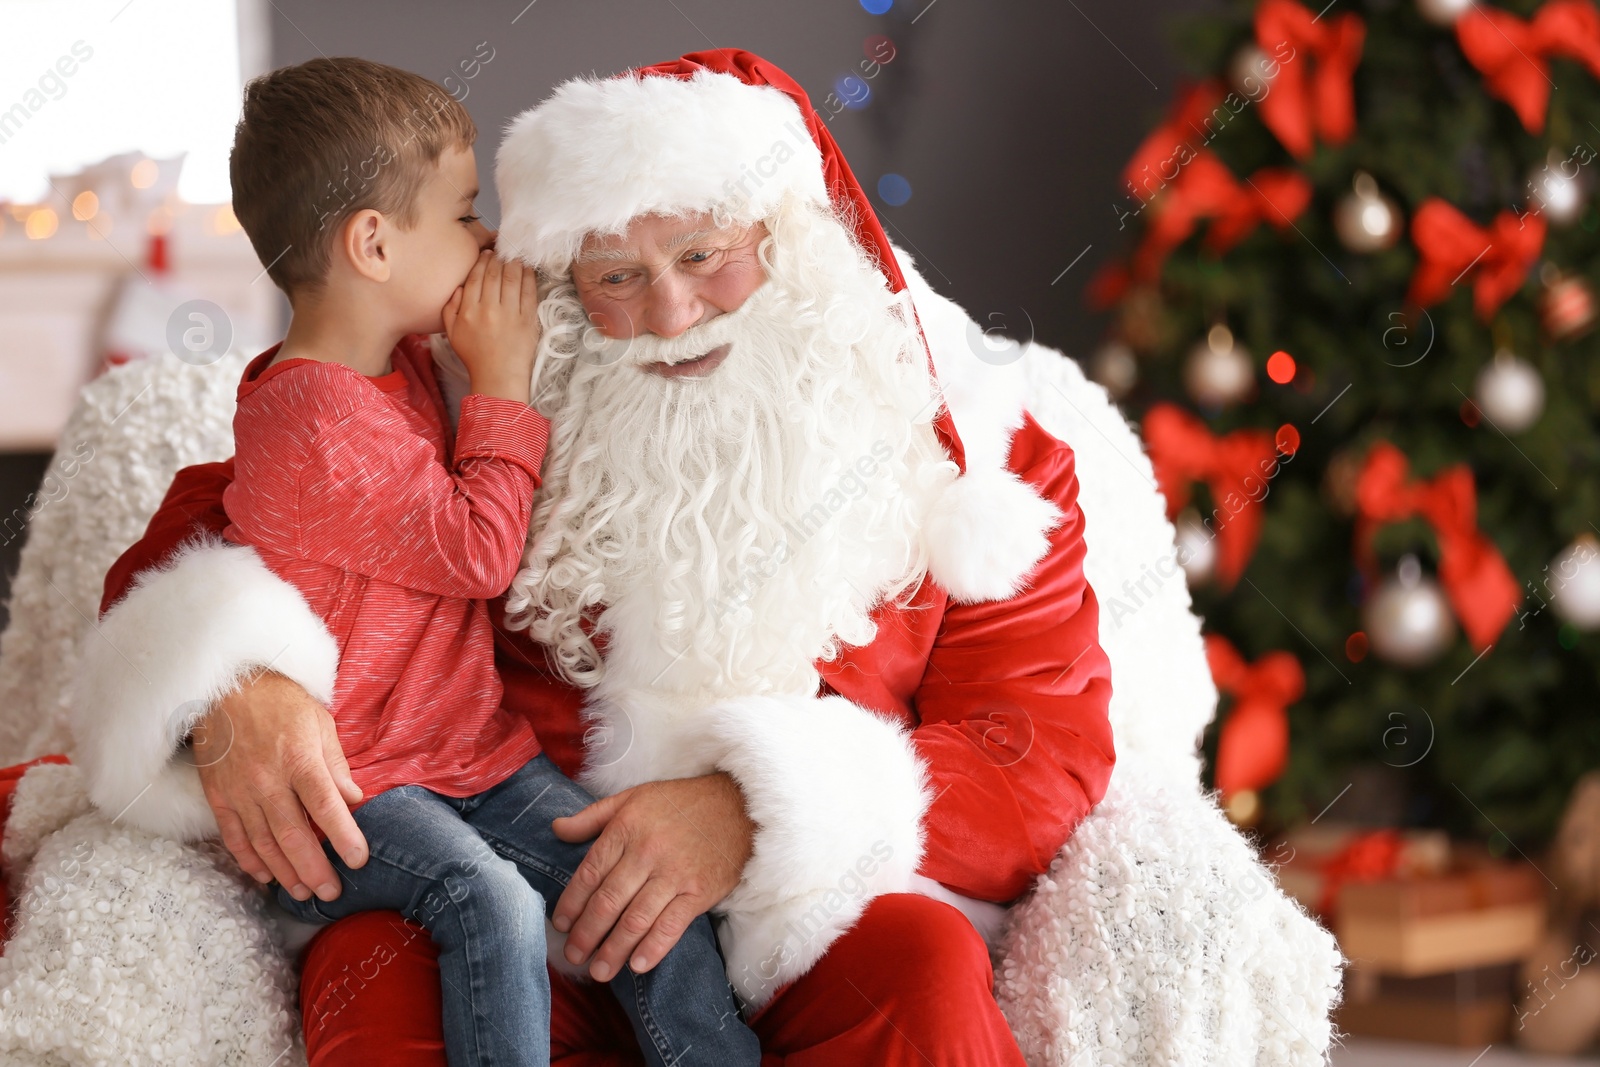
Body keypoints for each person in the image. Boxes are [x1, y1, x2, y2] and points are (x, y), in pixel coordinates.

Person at [77, 51, 1116, 1064]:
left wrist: (758, 812)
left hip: (801, 923)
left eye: (705, 255)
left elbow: (1036, 750)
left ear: (789, 234)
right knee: (376, 967)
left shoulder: (979, 453)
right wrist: (236, 684)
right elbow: (224, 516)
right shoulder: (475, 390)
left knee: (925, 967)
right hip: (524, 898)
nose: (669, 314)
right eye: (617, 275)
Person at [105, 57, 759, 1067]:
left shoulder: (396, 362)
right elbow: (479, 550)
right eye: (462, 214)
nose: (486, 237)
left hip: (472, 756)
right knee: (485, 896)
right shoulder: (308, 420)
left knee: (635, 897)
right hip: (353, 789)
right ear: (372, 243)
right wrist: (504, 381)